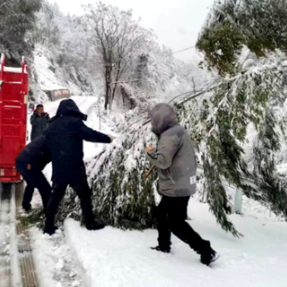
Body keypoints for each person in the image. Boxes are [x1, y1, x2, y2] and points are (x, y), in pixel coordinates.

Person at [146, 103, 218, 266]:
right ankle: (164, 245)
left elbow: (163, 161)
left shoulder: (170, 135)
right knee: (161, 213)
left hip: (176, 186)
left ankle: (205, 249)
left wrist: (150, 153)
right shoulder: (177, 131)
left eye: (153, 120)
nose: (152, 124)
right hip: (180, 183)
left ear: (160, 120)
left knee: (176, 223)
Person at [43, 99, 113, 235]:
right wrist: (108, 139)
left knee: (55, 196)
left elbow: (47, 145)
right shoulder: (74, 123)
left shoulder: (52, 125)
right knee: (84, 195)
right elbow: (90, 134)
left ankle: (48, 226)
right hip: (75, 167)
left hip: (58, 168)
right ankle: (90, 223)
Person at [16, 135, 52, 213]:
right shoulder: (53, 142)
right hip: (29, 164)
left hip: (20, 161)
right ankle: (49, 215)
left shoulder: (46, 138)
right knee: (46, 189)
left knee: (31, 184)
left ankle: (25, 206)